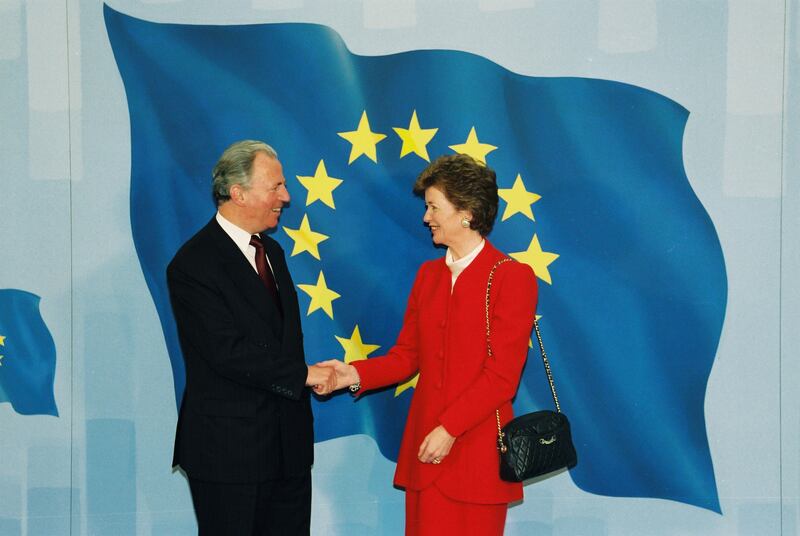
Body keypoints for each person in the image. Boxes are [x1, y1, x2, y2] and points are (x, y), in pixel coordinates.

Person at [320, 154, 538, 535]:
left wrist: (449, 429)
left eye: (434, 207)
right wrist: (351, 374)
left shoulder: (511, 278)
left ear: (467, 212)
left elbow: (502, 376)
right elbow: (407, 357)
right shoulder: (428, 276)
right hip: (427, 453)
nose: (426, 218)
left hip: (477, 456)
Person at [166, 140, 335, 535]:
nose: (286, 196)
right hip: (229, 451)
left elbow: (279, 338)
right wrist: (304, 375)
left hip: (287, 448)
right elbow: (226, 352)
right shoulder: (193, 263)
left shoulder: (272, 251)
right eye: (275, 186)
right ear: (237, 193)